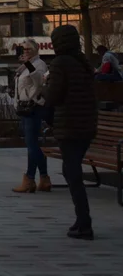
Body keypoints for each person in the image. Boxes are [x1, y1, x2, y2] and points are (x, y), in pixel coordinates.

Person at [44, 25, 97, 240]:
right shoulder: (83, 63)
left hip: (70, 126)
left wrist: (45, 87)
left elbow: (53, 96)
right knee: (72, 171)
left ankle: (84, 223)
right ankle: (82, 221)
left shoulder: (60, 63)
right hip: (86, 127)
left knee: (72, 173)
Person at [13, 39, 51, 193]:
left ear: (36, 49)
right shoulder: (24, 67)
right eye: (24, 49)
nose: (26, 51)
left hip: (32, 108)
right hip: (24, 107)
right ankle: (44, 178)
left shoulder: (39, 64)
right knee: (33, 144)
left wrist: (28, 64)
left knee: (32, 145)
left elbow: (39, 81)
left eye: (29, 49)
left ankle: (30, 179)